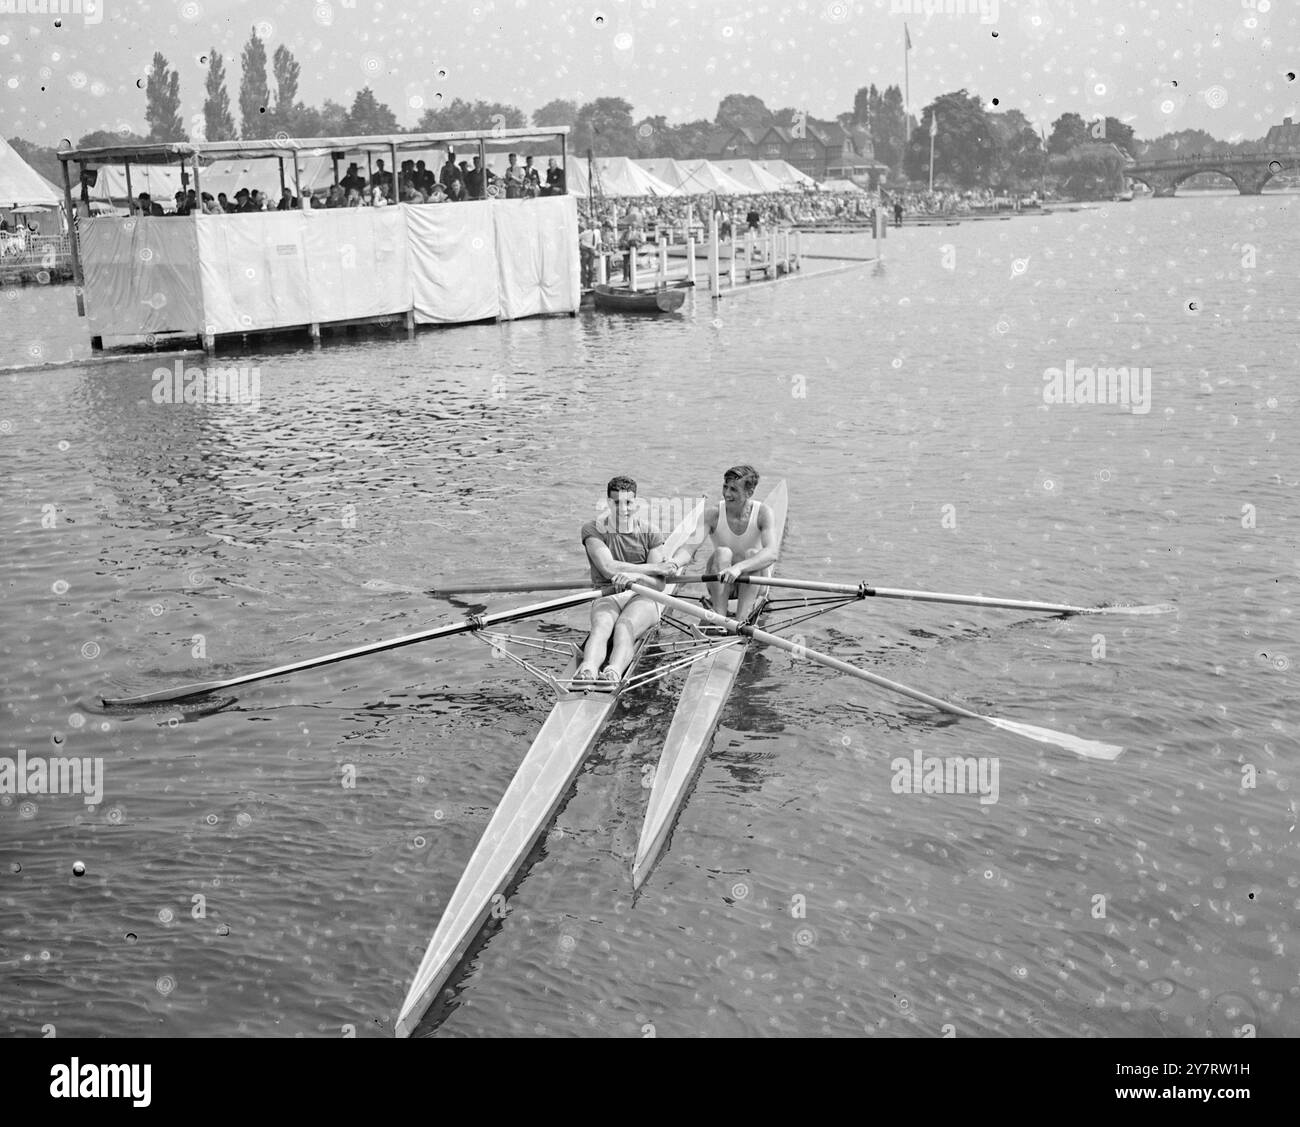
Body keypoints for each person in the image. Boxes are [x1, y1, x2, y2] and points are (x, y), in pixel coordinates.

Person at [574, 475, 676, 684]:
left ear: (636, 503)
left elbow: (659, 584)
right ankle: (588, 668)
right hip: (607, 591)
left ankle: (614, 671)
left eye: (628, 503)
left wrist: (635, 576)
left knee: (623, 627)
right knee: (602, 625)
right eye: (616, 503)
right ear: (608, 502)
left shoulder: (650, 532)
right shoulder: (592, 529)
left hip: (643, 595)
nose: (623, 509)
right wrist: (655, 568)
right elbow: (608, 568)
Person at [660, 465, 780, 624]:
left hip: (754, 582)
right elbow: (689, 547)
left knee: (753, 553)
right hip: (721, 581)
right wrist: (674, 564)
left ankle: (741, 621)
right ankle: (720, 620)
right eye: (725, 487)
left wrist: (739, 568)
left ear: (749, 493)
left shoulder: (763, 513)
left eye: (734, 490)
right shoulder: (713, 513)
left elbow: (771, 553)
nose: (727, 494)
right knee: (722, 552)